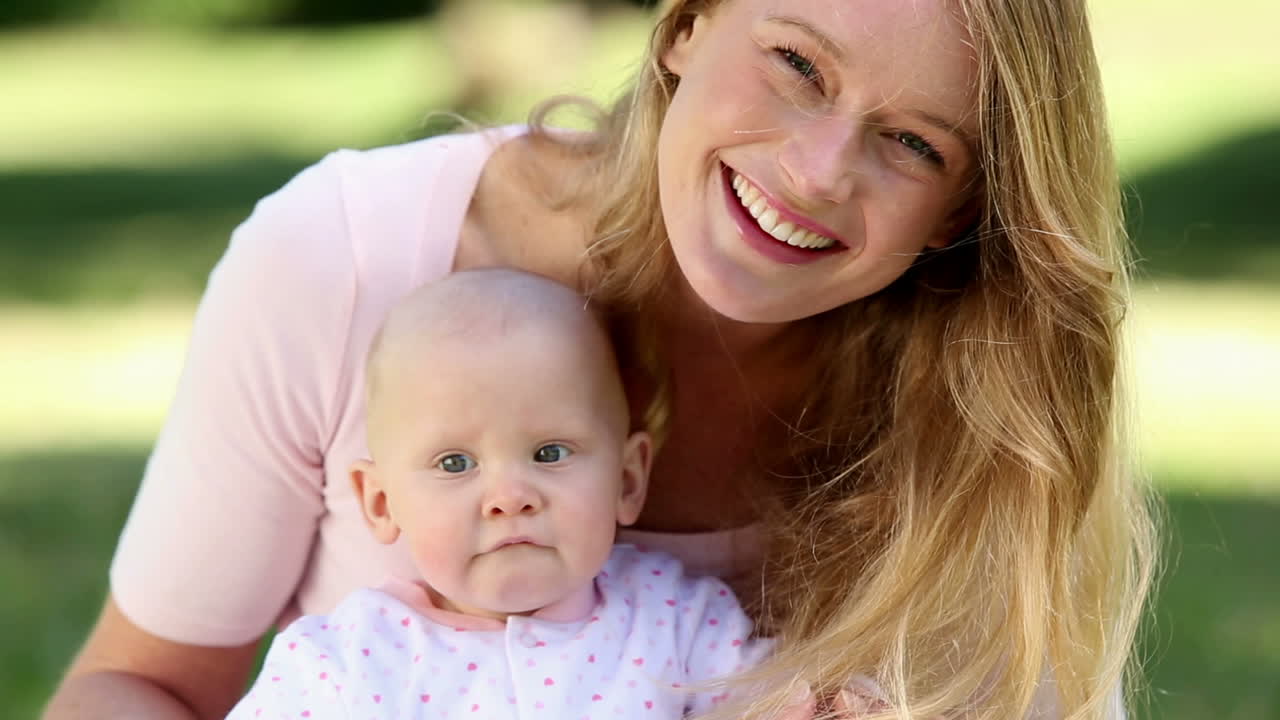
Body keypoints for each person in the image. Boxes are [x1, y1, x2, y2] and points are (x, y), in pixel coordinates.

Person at [45, 0, 1158, 718]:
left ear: (963, 208)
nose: (818, 172)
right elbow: (135, 686)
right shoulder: (342, 260)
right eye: (793, 65)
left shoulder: (990, 395)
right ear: (685, 26)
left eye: (912, 142)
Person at [224, 269, 774, 719]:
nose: (510, 497)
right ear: (382, 503)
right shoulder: (345, 664)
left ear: (627, 480)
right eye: (455, 463)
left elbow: (782, 704)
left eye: (550, 453)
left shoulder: (675, 621)